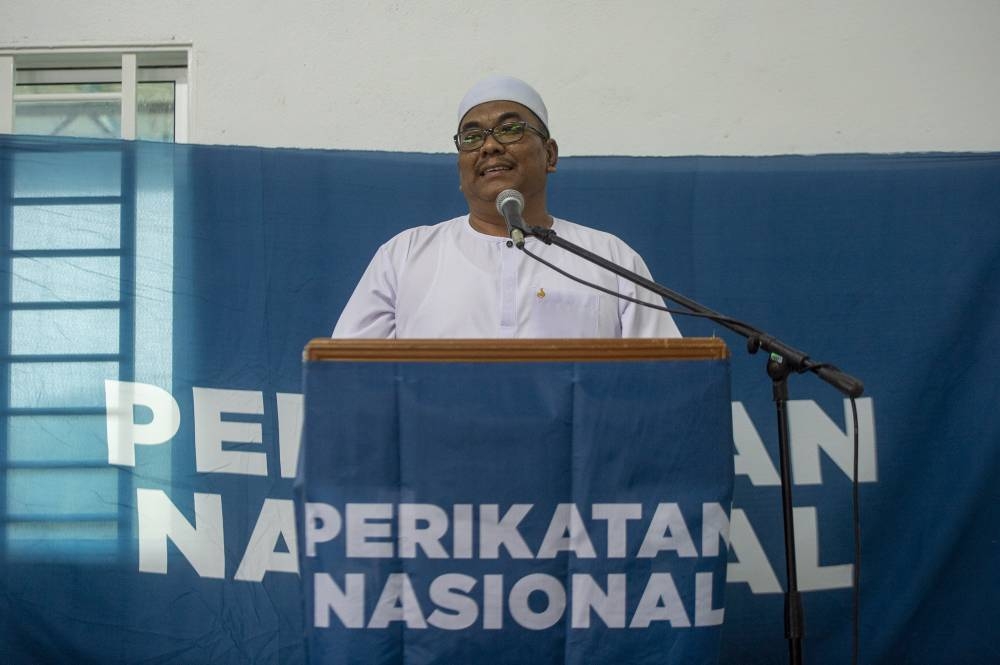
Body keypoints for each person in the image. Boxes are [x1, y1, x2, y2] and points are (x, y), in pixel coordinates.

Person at [332, 75, 681, 339]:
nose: (489, 147)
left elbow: (663, 380)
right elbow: (346, 375)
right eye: (471, 137)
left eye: (510, 129)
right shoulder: (404, 255)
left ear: (551, 154)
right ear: (460, 166)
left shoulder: (609, 258)